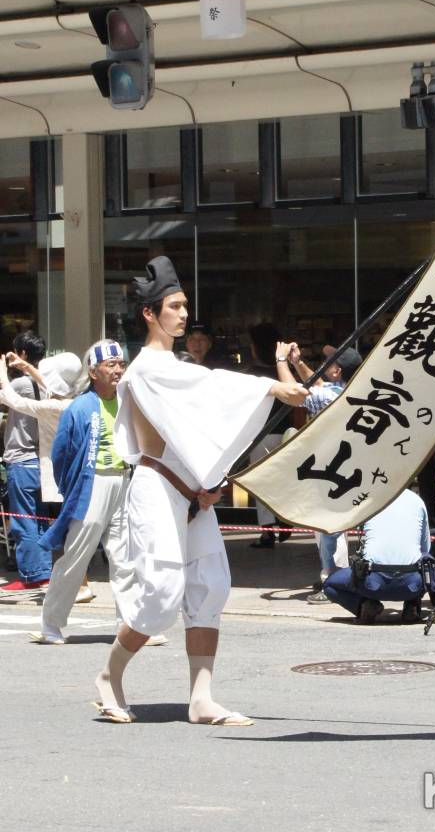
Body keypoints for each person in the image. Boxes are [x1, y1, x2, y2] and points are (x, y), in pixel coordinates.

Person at [94, 256, 307, 725]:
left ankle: (201, 697)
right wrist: (270, 388)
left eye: (185, 305)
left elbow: (200, 416)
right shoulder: (147, 369)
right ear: (150, 313)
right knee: (162, 592)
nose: (183, 313)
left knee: (210, 585)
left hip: (193, 491)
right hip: (156, 487)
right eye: (174, 306)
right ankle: (110, 675)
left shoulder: (175, 366)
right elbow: (207, 387)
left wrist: (209, 482)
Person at [26, 341, 138, 645]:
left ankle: (128, 626)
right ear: (93, 371)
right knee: (75, 556)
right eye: (110, 364)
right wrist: (72, 487)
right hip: (93, 484)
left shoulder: (128, 400)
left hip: (123, 480)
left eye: (120, 363)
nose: (117, 369)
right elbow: (61, 454)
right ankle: (51, 624)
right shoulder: (80, 406)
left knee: (125, 557)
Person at [0, 350, 93, 604]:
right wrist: (28, 367)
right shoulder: (77, 399)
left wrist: (2, 373)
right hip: (75, 473)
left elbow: (12, 400)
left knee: (66, 534)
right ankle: (77, 584)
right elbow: (50, 383)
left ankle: (78, 585)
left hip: (60, 475)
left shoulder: (53, 406)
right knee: (72, 532)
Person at [277, 341, 363, 602]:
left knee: (329, 528)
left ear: (337, 371)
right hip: (339, 467)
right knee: (329, 527)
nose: (324, 365)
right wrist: (297, 362)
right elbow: (314, 384)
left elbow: (294, 393)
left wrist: (281, 361)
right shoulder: (343, 389)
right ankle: (336, 576)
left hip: (329, 469)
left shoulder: (331, 397)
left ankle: (333, 578)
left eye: (330, 362)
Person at [323, 488, 431, 624]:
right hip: (411, 585)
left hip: (372, 583)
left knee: (329, 585)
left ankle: (365, 606)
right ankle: (412, 606)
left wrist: (329, 568)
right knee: (426, 567)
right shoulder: (417, 500)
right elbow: (426, 548)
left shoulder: (366, 498)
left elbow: (330, 534)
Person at [0, 330, 52, 593]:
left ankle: (32, 574)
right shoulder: (46, 384)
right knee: (39, 517)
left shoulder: (19, 385)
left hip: (21, 458)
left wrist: (2, 371)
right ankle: (43, 570)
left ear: (21, 355)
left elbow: (3, 396)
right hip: (41, 460)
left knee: (23, 519)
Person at [246, 323, 295, 549]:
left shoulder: (252, 375)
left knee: (260, 482)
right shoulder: (283, 371)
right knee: (283, 479)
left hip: (261, 434)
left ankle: (267, 532)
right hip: (284, 432)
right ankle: (286, 520)